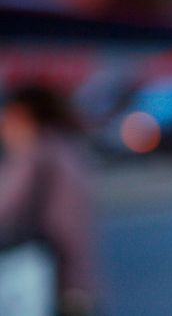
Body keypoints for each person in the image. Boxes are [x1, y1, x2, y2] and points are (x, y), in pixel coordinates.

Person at [0, 83, 98, 316]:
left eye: (6, 119)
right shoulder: (65, 146)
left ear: (23, 116)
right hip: (78, 282)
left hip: (52, 284)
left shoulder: (37, 154)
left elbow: (6, 207)